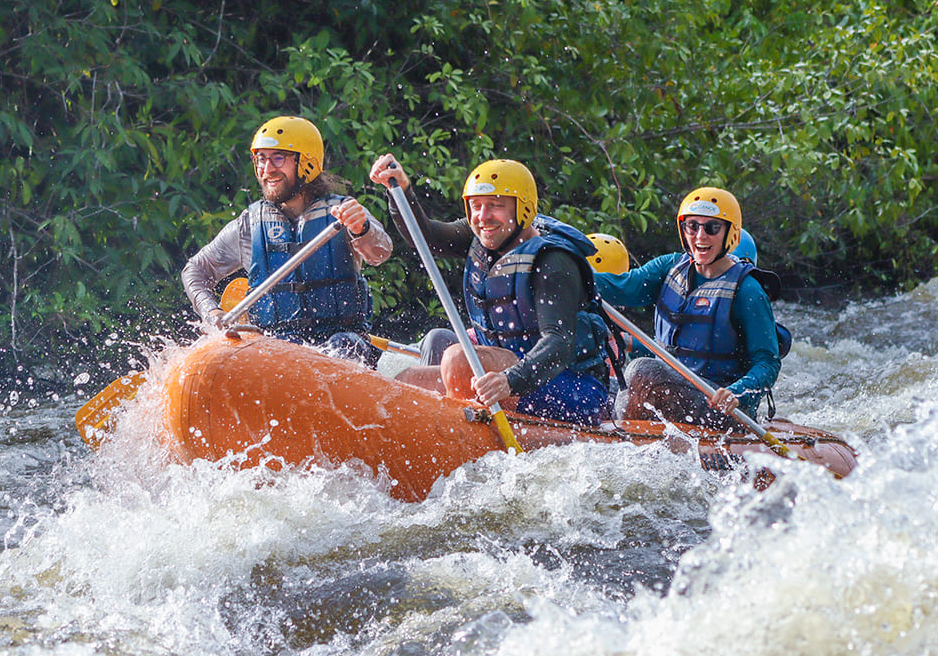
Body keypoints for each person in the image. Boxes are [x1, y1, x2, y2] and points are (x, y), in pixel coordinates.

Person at [367, 154, 618, 425]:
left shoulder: (553, 262)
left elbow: (558, 342)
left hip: (571, 387)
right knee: (407, 381)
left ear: (523, 208)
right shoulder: (480, 238)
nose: (483, 217)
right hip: (502, 375)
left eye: (496, 206)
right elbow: (428, 238)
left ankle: (461, 431)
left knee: (458, 360)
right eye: (475, 206)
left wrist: (510, 380)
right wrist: (400, 191)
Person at [182, 115, 393, 366]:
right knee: (268, 355)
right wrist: (212, 313)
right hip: (276, 350)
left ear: (306, 162)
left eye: (278, 158)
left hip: (342, 345)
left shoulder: (343, 212)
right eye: (261, 159)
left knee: (343, 346)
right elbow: (196, 269)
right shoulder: (248, 226)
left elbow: (381, 252)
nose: (267, 169)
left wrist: (361, 229)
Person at [593, 187, 782, 429]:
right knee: (598, 383)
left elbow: (768, 362)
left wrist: (737, 392)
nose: (700, 236)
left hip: (719, 403)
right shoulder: (669, 267)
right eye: (692, 226)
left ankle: (622, 437)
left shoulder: (748, 291)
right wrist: (572, 271)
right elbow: (623, 286)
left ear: (730, 233)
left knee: (640, 371)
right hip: (672, 387)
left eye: (712, 228)